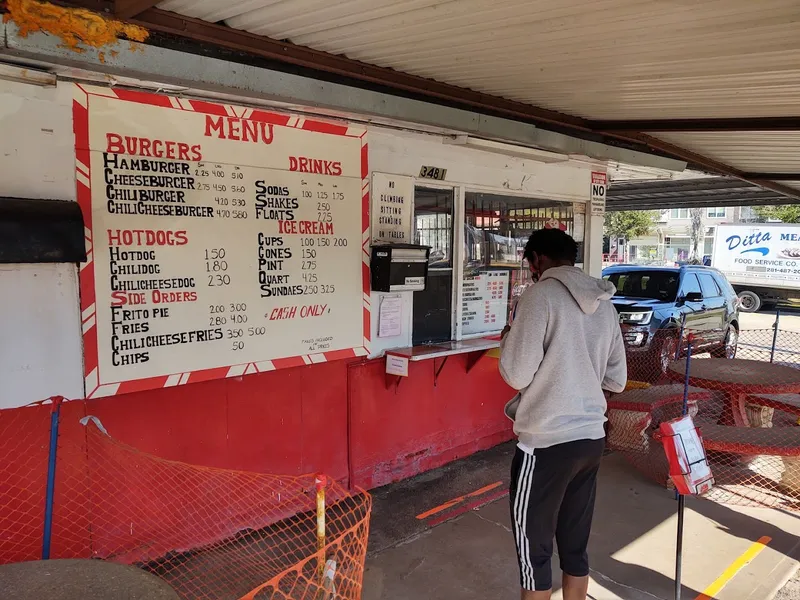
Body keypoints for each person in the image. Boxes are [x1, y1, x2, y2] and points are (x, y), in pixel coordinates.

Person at [499, 228, 627, 600]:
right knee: (574, 547)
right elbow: (616, 380)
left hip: (545, 444)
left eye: (530, 264)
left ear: (537, 259)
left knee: (534, 555)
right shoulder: (605, 303)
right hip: (590, 440)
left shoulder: (539, 297)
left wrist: (509, 339)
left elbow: (516, 374)